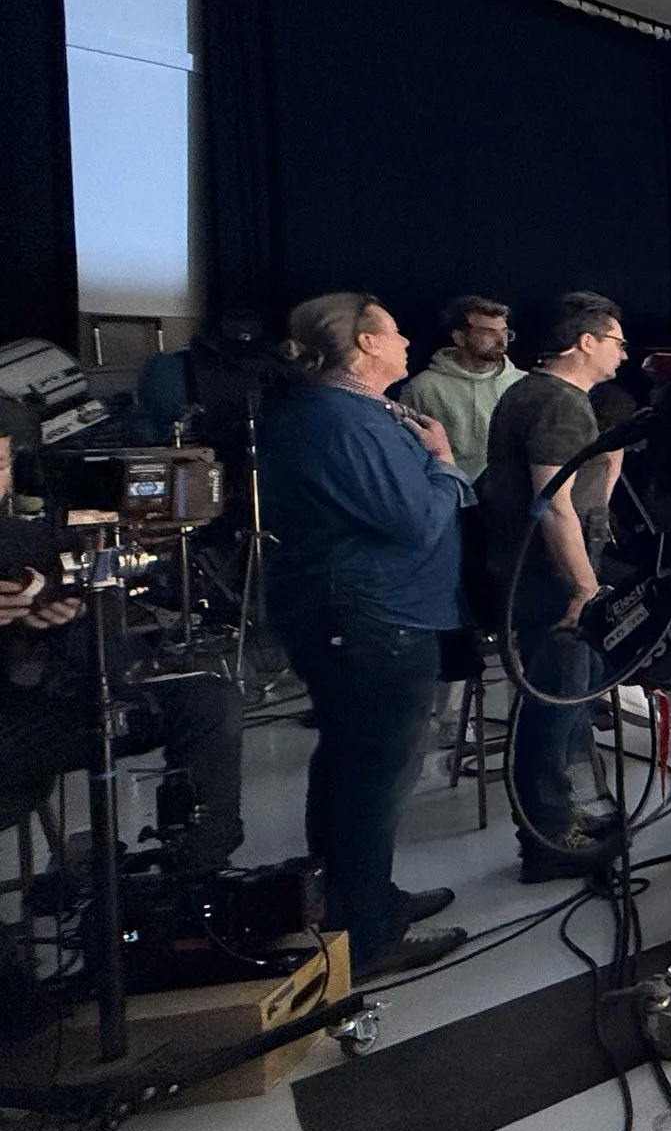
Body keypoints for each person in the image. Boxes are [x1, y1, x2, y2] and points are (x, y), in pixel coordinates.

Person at [259, 294, 469, 978]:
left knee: (358, 768)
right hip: (372, 620)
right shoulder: (340, 421)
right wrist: (443, 463)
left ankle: (363, 897)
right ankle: (367, 931)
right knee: (370, 777)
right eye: (395, 329)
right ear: (365, 344)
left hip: (376, 613)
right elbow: (412, 519)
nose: (409, 338)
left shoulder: (348, 411)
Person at [0, 432, 246, 877]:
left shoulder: (21, 539)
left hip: (47, 711)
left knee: (209, 702)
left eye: (0, 466)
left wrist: (74, 607)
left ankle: (196, 879)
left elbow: (107, 648)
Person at [477, 292, 629, 879]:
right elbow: (554, 505)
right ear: (586, 342)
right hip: (548, 581)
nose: (621, 354)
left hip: (540, 574)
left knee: (568, 698)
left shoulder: (539, 394)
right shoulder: (558, 404)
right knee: (553, 706)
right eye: (616, 342)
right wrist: (585, 586)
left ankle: (556, 816)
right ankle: (547, 838)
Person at [400, 296, 526, 479]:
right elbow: (408, 451)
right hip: (450, 494)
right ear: (459, 337)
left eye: (505, 332)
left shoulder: (523, 384)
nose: (501, 341)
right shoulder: (423, 388)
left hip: (510, 498)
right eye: (488, 332)